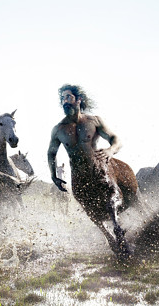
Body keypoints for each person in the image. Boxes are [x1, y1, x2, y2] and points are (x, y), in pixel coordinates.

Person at [47, 84, 138, 256]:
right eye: (62, 99)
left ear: (78, 99)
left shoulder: (94, 121)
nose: (65, 101)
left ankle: (117, 230)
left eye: (68, 97)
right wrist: (53, 175)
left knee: (112, 202)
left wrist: (111, 150)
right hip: (78, 178)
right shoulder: (58, 129)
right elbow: (51, 153)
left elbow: (115, 138)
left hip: (99, 170)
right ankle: (109, 237)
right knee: (92, 213)